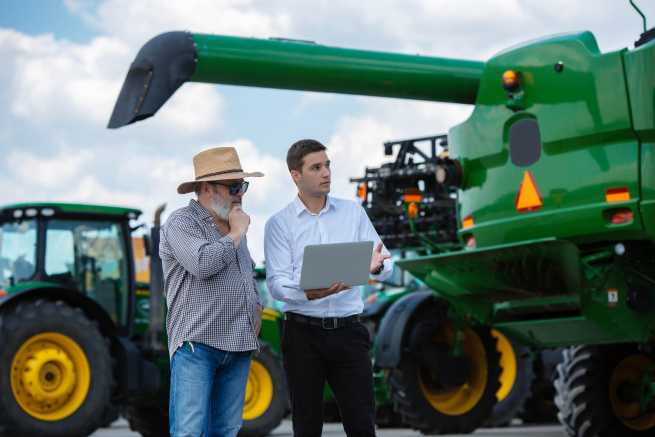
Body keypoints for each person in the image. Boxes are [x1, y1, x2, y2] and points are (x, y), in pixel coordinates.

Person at [265, 139, 392, 437]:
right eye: (316, 167)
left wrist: (376, 267)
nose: (326, 173)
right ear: (296, 175)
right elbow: (277, 284)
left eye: (328, 165)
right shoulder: (279, 224)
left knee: (362, 426)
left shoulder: (354, 213)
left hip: (350, 334)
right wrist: (309, 292)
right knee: (307, 427)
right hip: (302, 336)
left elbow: (387, 264)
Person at [159, 146, 264, 437]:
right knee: (190, 432)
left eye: (242, 186)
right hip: (198, 346)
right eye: (233, 186)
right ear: (206, 188)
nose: (240, 193)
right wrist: (236, 234)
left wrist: (255, 310)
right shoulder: (181, 223)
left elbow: (247, 275)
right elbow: (202, 264)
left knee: (227, 432)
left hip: (238, 347)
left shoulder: (233, 226)